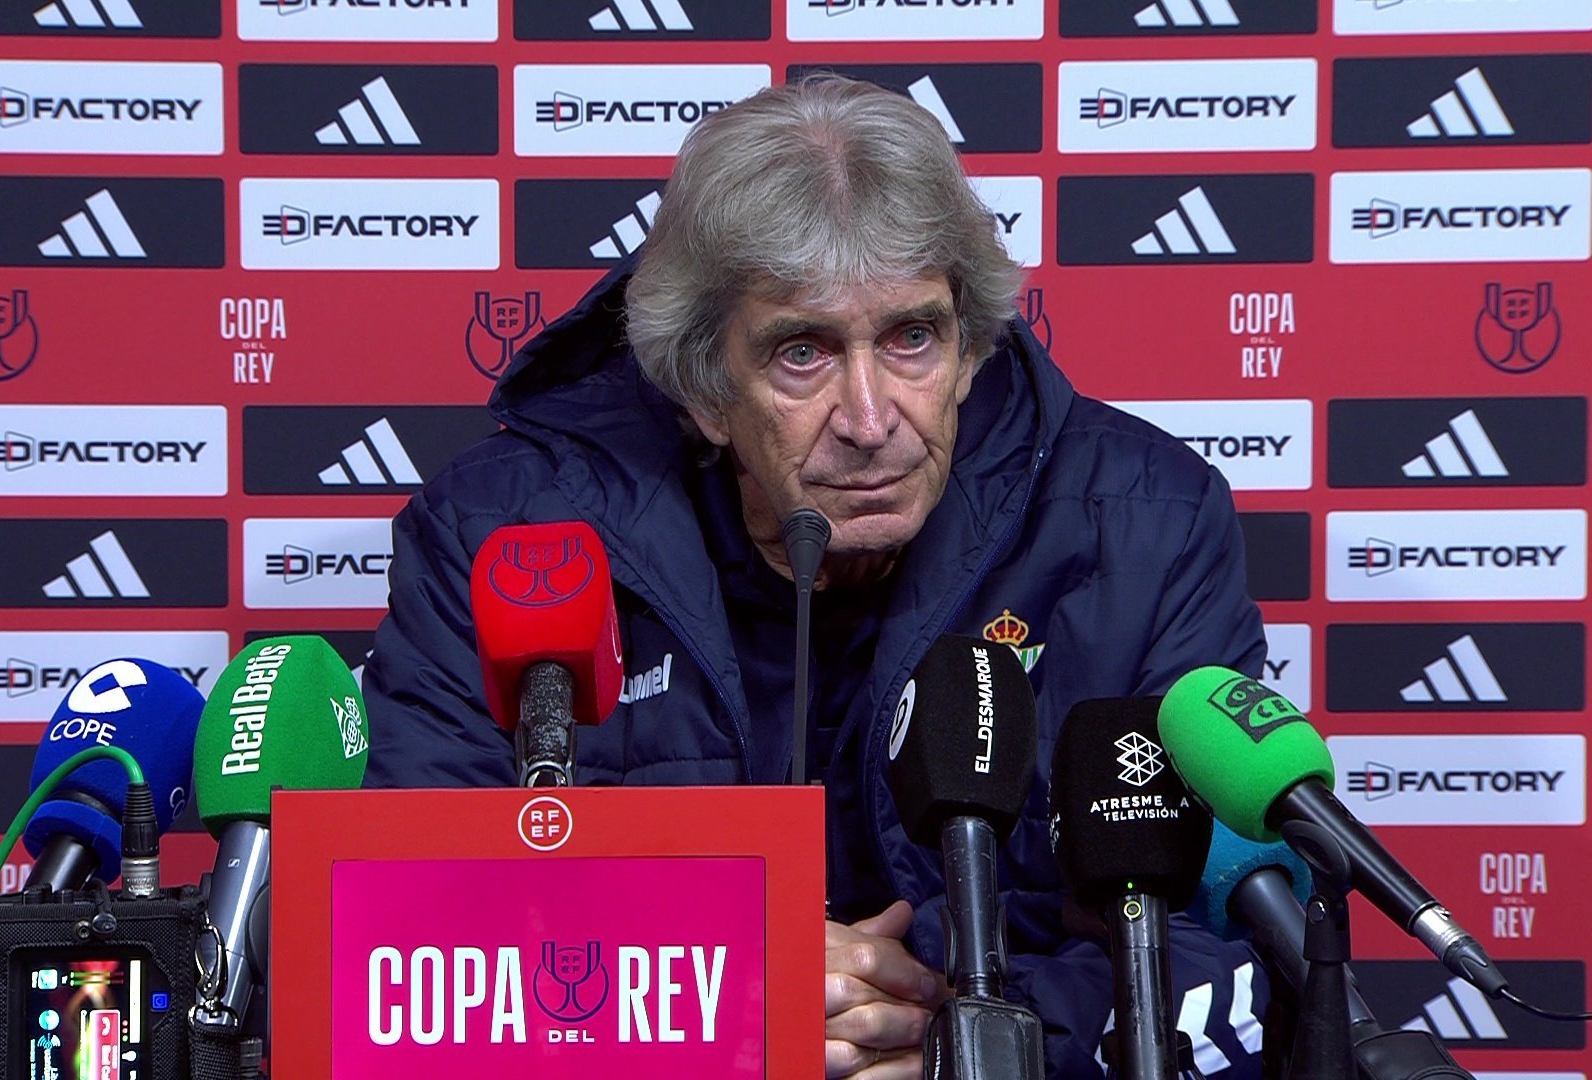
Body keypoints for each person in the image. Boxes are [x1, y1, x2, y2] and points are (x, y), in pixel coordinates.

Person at [365, 74, 1271, 1079]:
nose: (871, 420)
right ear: (705, 388)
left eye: (912, 338)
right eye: (803, 353)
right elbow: (406, 933)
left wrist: (975, 1038)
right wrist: (724, 989)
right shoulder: (504, 534)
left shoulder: (1146, 523)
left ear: (970, 349)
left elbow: (1233, 943)